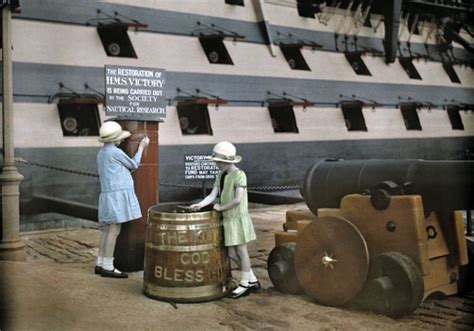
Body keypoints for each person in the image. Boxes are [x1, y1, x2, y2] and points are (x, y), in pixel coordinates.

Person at [190, 141, 260, 298]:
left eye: (220, 162)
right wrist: (199, 205)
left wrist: (220, 208)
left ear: (229, 161)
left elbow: (237, 199)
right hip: (228, 219)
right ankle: (252, 279)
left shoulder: (239, 175)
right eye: (217, 162)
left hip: (237, 218)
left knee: (241, 251)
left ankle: (244, 284)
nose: (217, 165)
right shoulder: (221, 175)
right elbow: (213, 195)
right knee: (232, 253)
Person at [95, 121, 150, 278]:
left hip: (107, 194)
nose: (121, 140)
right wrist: (141, 147)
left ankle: (100, 263)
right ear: (114, 139)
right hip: (117, 196)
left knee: (106, 229)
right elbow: (133, 165)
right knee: (114, 229)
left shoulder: (102, 153)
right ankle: (108, 267)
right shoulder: (115, 152)